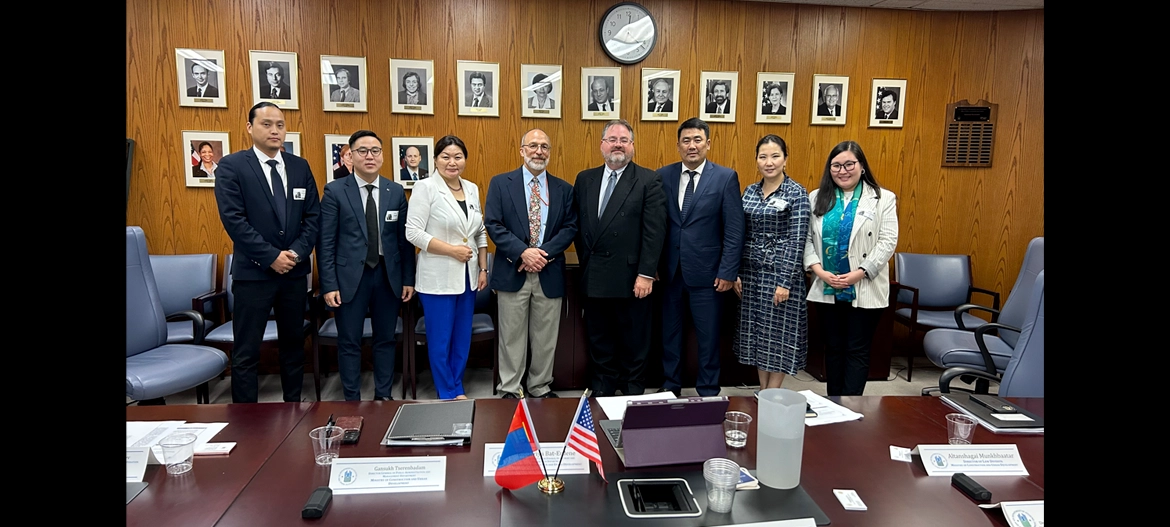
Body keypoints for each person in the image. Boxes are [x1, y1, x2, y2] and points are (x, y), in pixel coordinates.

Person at [214, 102, 319, 403]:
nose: (275, 130)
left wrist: (296, 254)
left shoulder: (300, 166)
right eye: (266, 124)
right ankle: (246, 421)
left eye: (280, 124)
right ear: (250, 128)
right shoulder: (232, 166)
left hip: (294, 273)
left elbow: (313, 217)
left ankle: (294, 410)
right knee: (247, 351)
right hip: (254, 274)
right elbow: (234, 220)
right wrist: (271, 256)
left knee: (293, 346)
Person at [318, 130, 415, 401]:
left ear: (383, 156)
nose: (369, 156)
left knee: (385, 339)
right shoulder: (335, 190)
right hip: (350, 278)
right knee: (349, 341)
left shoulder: (395, 191)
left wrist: (408, 278)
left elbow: (404, 241)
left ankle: (383, 396)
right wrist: (329, 284)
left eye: (375, 150)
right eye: (362, 151)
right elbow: (325, 242)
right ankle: (352, 399)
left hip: (387, 275)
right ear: (350, 155)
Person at [573, 119, 666, 397]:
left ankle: (632, 390)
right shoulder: (584, 178)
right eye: (612, 139)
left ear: (632, 146)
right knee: (599, 338)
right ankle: (603, 386)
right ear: (602, 145)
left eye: (624, 140)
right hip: (595, 276)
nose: (617, 144)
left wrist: (646, 273)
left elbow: (655, 231)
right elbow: (579, 227)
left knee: (634, 340)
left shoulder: (649, 179)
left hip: (632, 278)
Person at [484, 129, 578, 399]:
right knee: (511, 337)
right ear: (522, 150)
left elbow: (570, 228)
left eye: (545, 147)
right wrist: (524, 252)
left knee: (545, 338)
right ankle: (510, 389)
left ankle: (539, 387)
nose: (539, 151)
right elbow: (494, 224)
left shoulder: (564, 189)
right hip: (513, 269)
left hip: (548, 271)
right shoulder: (501, 183)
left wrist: (542, 254)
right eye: (533, 146)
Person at [656, 118, 744, 397]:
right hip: (670, 273)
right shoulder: (663, 175)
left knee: (708, 338)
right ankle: (671, 386)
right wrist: (653, 266)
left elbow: (733, 229)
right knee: (670, 336)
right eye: (686, 140)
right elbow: (656, 225)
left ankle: (707, 389)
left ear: (708, 144)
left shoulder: (725, 177)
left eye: (697, 140)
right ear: (678, 145)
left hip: (709, 275)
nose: (691, 146)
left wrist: (728, 271)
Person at [804, 140, 898, 396]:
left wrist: (860, 272)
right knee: (833, 348)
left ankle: (852, 405)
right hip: (827, 285)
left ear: (862, 166)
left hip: (864, 285)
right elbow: (808, 239)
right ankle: (833, 402)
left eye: (849, 164)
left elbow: (887, 241)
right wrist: (820, 272)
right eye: (836, 165)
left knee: (857, 349)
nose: (842, 171)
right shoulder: (816, 197)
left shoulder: (882, 198)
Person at [405, 135, 488, 400]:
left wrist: (483, 269)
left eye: (458, 157)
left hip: (469, 277)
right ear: (436, 159)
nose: (452, 162)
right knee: (441, 339)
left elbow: (480, 232)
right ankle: (447, 390)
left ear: (465, 159)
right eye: (446, 157)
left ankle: (457, 385)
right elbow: (413, 233)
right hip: (437, 277)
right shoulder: (425, 187)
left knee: (461, 338)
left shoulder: (472, 188)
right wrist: (452, 250)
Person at [733, 135, 810, 390]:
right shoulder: (749, 192)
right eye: (763, 156)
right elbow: (740, 232)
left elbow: (797, 240)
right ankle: (762, 389)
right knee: (757, 334)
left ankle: (772, 390)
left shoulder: (797, 193)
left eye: (775, 156)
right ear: (756, 160)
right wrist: (736, 272)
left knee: (778, 335)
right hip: (751, 274)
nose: (769, 162)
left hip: (780, 275)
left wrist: (784, 281)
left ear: (785, 159)